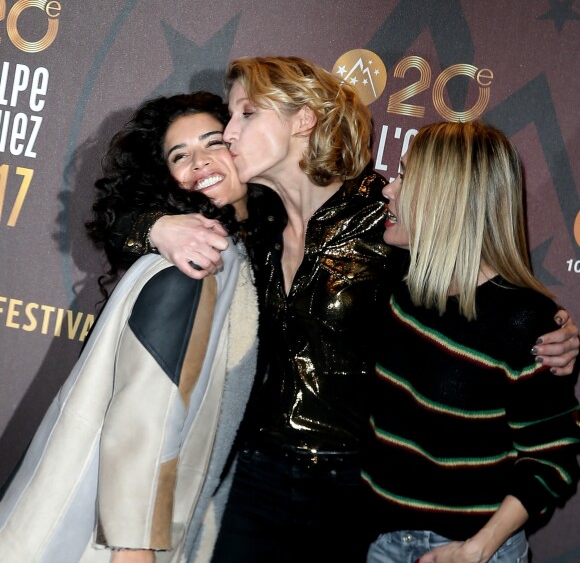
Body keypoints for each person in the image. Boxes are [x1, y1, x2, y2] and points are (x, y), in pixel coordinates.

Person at [107, 57, 579, 562]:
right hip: (254, 474)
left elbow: (473, 277)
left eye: (245, 114)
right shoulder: (253, 220)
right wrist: (158, 226)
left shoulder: (386, 214)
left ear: (303, 120)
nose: (229, 132)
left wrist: (551, 329)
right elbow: (120, 216)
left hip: (355, 491)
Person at [0, 92, 259, 563]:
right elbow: (146, 411)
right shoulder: (192, 261)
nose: (199, 162)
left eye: (213, 143)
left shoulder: (235, 255)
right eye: (180, 155)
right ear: (167, 177)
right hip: (110, 538)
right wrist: (134, 545)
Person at [363, 121, 580, 563]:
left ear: (448, 199)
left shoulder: (526, 323)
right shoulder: (396, 279)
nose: (388, 189)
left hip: (469, 550)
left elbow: (551, 459)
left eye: (406, 178)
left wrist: (476, 550)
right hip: (378, 537)